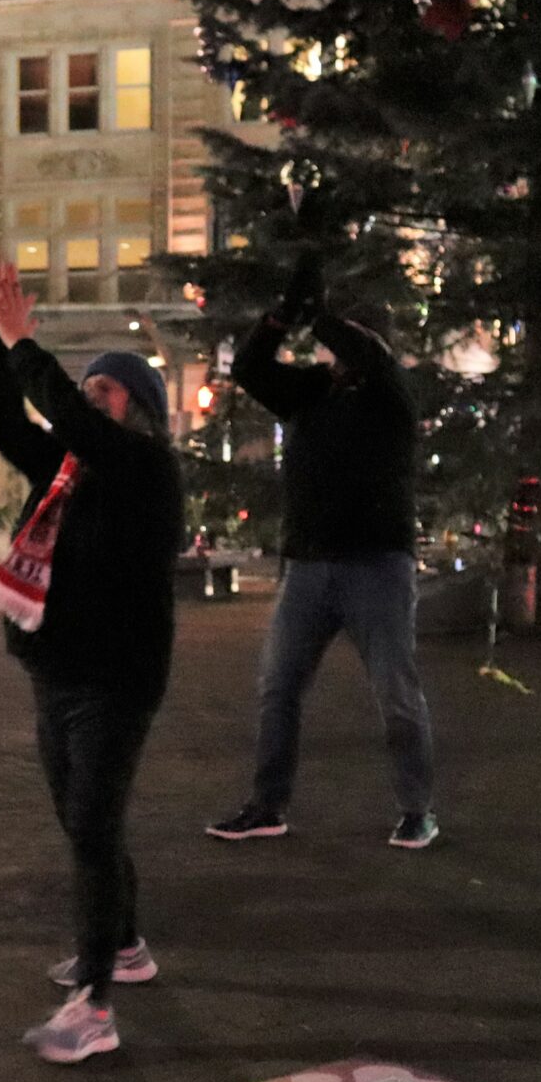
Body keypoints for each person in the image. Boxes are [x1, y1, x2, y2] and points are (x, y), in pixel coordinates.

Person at [0, 264, 181, 1064]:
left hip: (117, 676)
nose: (93, 395)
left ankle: (94, 1002)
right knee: (81, 818)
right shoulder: (66, 471)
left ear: (143, 411)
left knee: (93, 822)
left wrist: (30, 345)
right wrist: (1, 346)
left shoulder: (146, 470)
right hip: (55, 669)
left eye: (110, 389)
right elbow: (2, 421)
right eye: (88, 384)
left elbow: (69, 416)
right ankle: (124, 946)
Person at [205, 251, 437, 850]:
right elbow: (253, 368)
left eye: (348, 344)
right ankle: (267, 805)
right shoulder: (311, 392)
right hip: (309, 565)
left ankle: (417, 808)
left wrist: (318, 315)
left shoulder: (392, 395)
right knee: (277, 687)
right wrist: (284, 315)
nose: (336, 356)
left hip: (377, 565)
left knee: (396, 693)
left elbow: (370, 360)